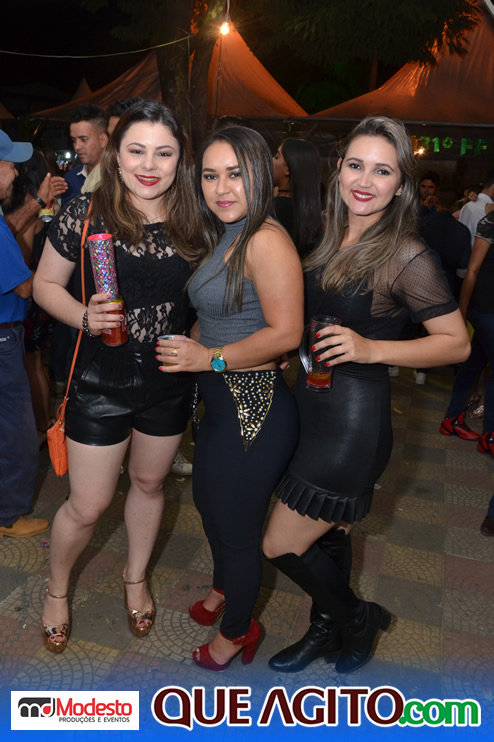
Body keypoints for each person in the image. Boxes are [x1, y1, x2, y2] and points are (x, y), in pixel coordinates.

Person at [261, 116, 470, 676]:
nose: (365, 180)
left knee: (279, 543)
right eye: (356, 165)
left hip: (351, 424)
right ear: (338, 170)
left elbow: (456, 343)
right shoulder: (331, 236)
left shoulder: (405, 254)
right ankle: (326, 629)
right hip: (311, 405)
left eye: (382, 171)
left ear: (400, 185)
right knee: (329, 534)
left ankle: (359, 618)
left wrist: (371, 348)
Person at [33, 100, 199, 652]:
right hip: (101, 378)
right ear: (117, 154)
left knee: (150, 484)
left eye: (164, 153)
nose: (150, 165)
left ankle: (136, 578)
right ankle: (57, 590)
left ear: (180, 159)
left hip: (168, 379)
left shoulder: (195, 217)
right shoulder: (86, 212)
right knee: (88, 504)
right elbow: (44, 286)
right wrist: (85, 316)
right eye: (137, 150)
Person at [156, 125, 304, 671]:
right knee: (209, 505)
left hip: (254, 405)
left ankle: (238, 630)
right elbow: (223, 312)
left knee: (238, 530)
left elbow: (286, 333)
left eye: (235, 174)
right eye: (210, 176)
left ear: (260, 174)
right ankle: (224, 588)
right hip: (220, 402)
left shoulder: (265, 238)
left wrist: (209, 359)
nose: (221, 188)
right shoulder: (227, 232)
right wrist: (195, 341)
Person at [0, 131, 50, 539]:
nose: (15, 173)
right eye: (9, 165)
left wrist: (37, 204)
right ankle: (9, 515)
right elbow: (25, 288)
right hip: (3, 339)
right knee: (16, 430)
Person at [440, 210, 494, 456]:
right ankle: (489, 435)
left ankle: (452, 419)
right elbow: (472, 269)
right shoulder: (491, 221)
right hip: (484, 306)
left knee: (474, 364)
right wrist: (461, 313)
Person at [272, 138, 323, 258]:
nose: (271, 160)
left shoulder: (275, 209)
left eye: (276, 157)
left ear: (288, 169)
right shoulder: (314, 213)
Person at [61, 104, 108, 206]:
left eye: (83, 139)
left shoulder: (117, 178)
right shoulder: (70, 179)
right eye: (73, 140)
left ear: (103, 140)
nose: (77, 146)